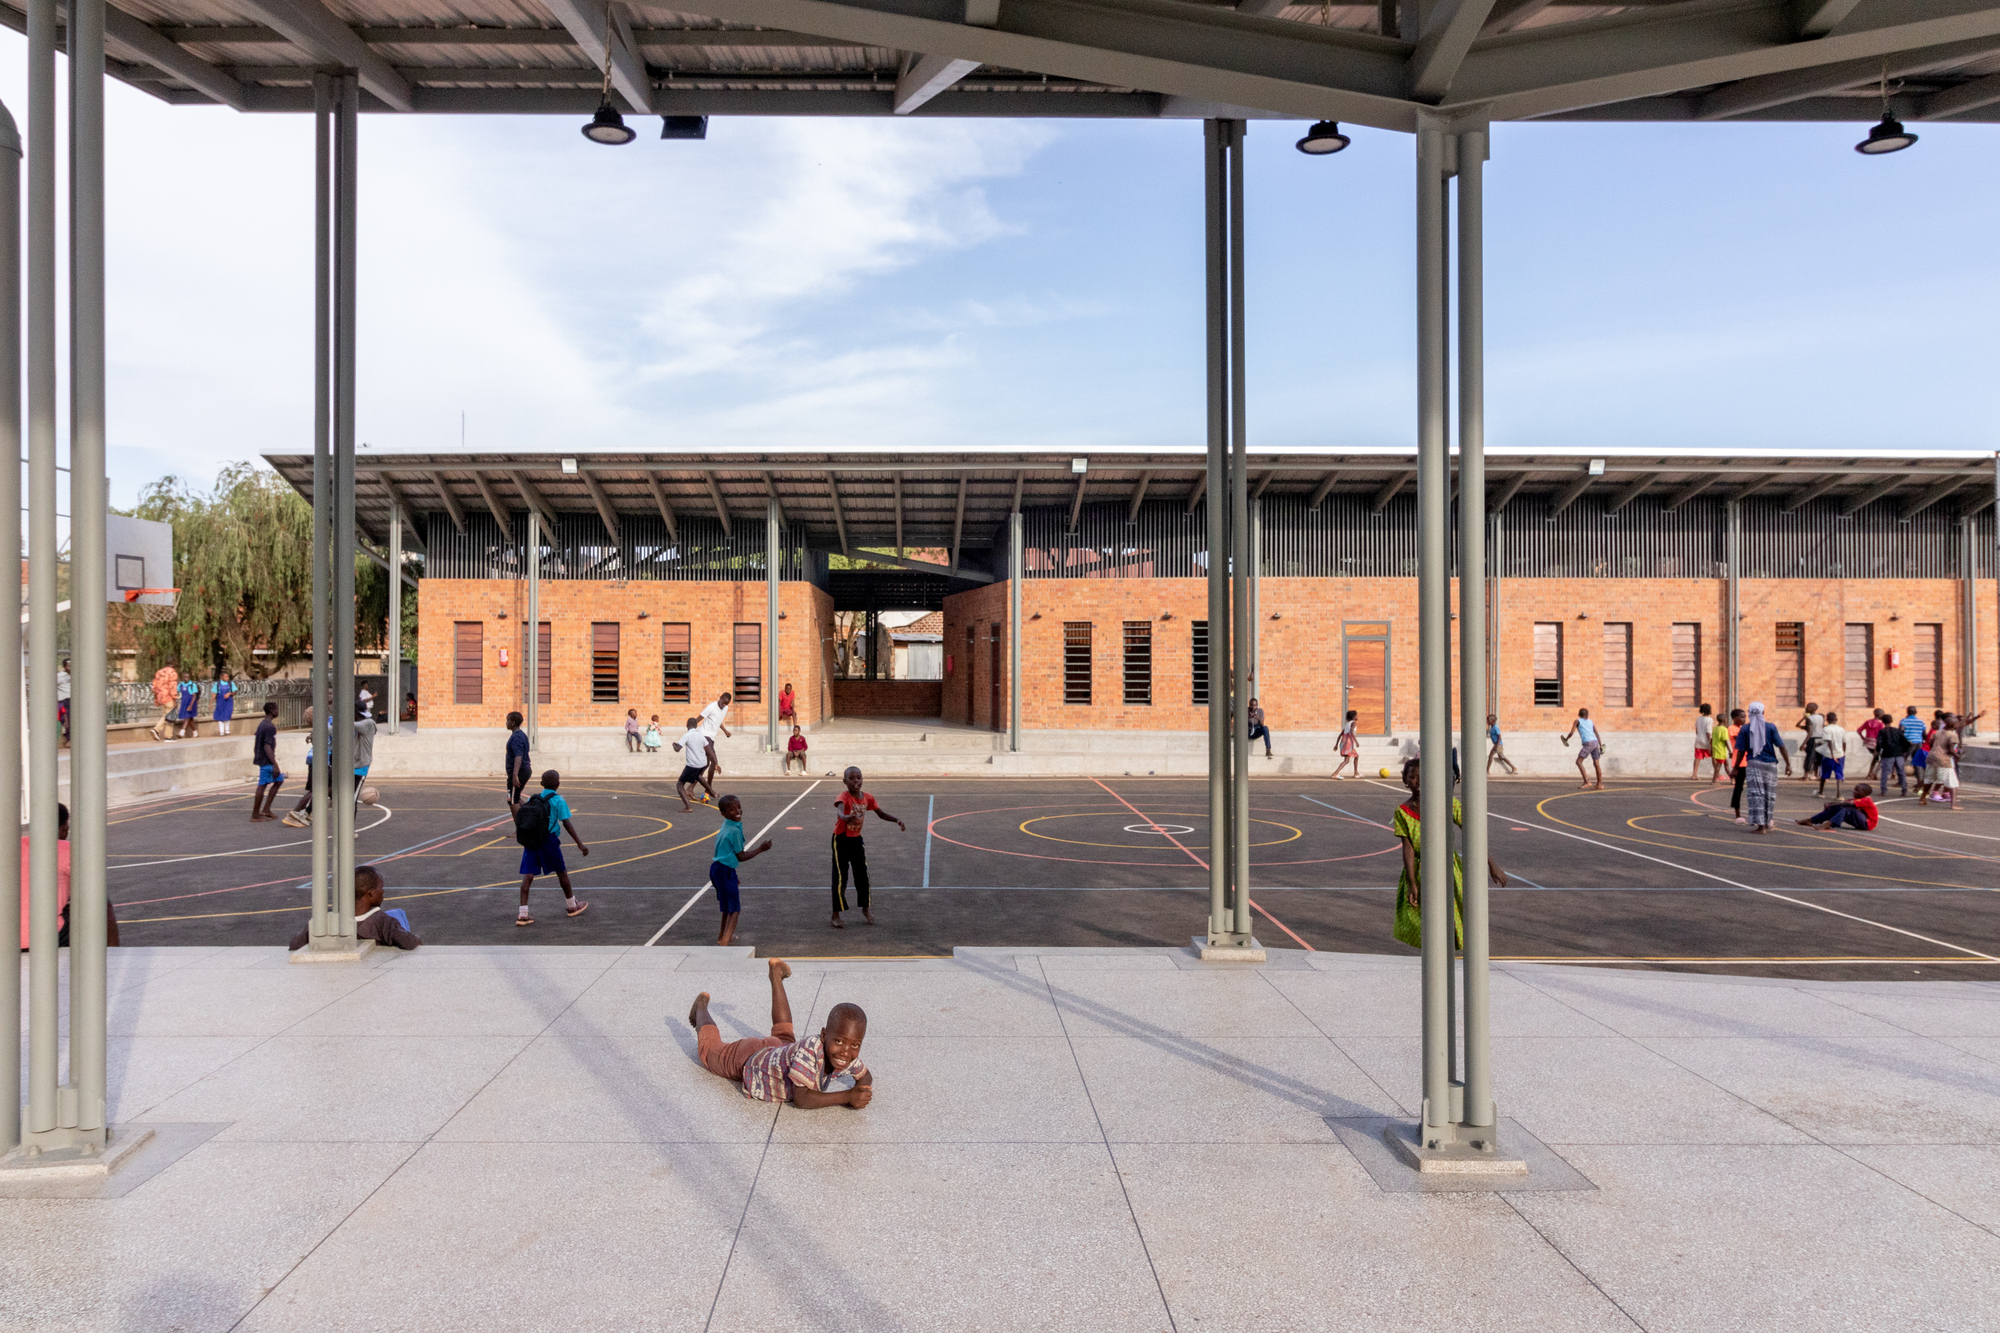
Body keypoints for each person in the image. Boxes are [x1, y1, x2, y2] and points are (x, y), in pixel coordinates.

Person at [686, 959, 873, 1109]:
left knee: (784, 1036)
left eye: (855, 1045)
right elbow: (803, 1099)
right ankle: (700, 1009)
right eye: (839, 1041)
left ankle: (776, 973)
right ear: (823, 1035)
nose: (845, 1051)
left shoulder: (845, 1055)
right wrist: (847, 1096)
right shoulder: (809, 1052)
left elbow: (865, 1076)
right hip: (748, 1058)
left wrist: (861, 1092)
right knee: (710, 1052)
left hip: (778, 1049)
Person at [1390, 757, 1506, 951]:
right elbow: (1408, 847)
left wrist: (1491, 864)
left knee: (1454, 915)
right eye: (1412, 777)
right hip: (1420, 871)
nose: (1417, 782)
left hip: (1447, 868)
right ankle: (1434, 959)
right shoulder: (1402, 811)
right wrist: (1411, 881)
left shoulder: (1446, 804)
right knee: (1425, 921)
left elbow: (1472, 833)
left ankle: (1448, 956)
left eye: (1422, 777)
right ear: (1405, 780)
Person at [20, 804, 120, 950]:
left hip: (6, 936)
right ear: (64, 828)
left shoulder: (11, 847)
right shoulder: (66, 850)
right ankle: (111, 954)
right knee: (100, 902)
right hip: (44, 937)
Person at [831, 765, 905, 930]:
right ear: (845, 782)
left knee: (862, 876)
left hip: (856, 840)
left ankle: (865, 908)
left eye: (858, 777)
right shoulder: (844, 797)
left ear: (862, 779)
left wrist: (896, 820)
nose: (855, 781)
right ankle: (835, 915)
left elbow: (881, 813)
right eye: (851, 778)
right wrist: (845, 817)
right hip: (841, 840)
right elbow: (840, 812)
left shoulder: (867, 798)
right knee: (840, 878)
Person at [514, 769, 589, 927]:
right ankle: (571, 905)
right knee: (561, 872)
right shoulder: (558, 800)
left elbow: (524, 808)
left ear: (541, 784)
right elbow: (567, 823)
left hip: (532, 840)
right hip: (548, 840)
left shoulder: (536, 798)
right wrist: (579, 843)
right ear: (558, 783)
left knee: (528, 876)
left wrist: (515, 798)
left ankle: (523, 913)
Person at [288, 864, 422, 951]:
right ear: (371, 894)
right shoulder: (383, 922)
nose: (383, 891)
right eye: (381, 888)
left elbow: (295, 945)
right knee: (397, 914)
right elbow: (410, 942)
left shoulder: (328, 919)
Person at [710, 793, 773, 946]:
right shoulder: (734, 831)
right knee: (735, 908)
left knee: (726, 907)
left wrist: (733, 873)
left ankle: (722, 936)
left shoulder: (727, 825)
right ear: (723, 813)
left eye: (738, 807)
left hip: (719, 869)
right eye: (732, 809)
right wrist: (761, 849)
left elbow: (726, 854)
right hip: (724, 870)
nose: (737, 811)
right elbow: (741, 856)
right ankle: (725, 940)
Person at [1732, 701, 1793, 833]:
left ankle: (1760, 827)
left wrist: (1736, 767)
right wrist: (1788, 764)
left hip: (1754, 764)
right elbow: (1781, 746)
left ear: (1749, 713)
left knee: (1756, 795)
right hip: (1770, 765)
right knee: (1769, 795)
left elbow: (1741, 751)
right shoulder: (1771, 727)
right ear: (1763, 712)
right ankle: (1766, 824)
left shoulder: (1745, 729)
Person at [251, 702, 286, 822]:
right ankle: (255, 815)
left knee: (279, 780)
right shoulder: (270, 727)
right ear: (271, 711)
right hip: (266, 760)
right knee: (262, 785)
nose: (278, 711)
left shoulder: (262, 724)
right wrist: (275, 764)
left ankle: (266, 809)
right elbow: (267, 746)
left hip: (263, 758)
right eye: (276, 709)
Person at [1797, 783, 1879, 832]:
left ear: (1864, 793)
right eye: (1854, 789)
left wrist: (1834, 804)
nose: (1854, 792)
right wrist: (1832, 805)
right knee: (1836, 808)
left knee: (1847, 809)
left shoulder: (1867, 800)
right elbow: (1845, 803)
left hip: (1868, 824)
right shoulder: (1857, 799)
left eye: (1857, 790)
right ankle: (1811, 820)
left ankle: (1829, 824)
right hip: (1861, 820)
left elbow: (1848, 804)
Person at [674, 716, 715, 811]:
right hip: (703, 763)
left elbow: (677, 749)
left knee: (680, 785)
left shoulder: (687, 736)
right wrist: (715, 763)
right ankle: (712, 791)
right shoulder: (701, 735)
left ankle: (688, 807)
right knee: (698, 776)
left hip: (693, 764)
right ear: (696, 725)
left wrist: (674, 745)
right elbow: (709, 751)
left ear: (687, 725)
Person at [1561, 708, 1604, 790]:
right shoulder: (1590, 722)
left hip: (1588, 743)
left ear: (1579, 714)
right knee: (1597, 764)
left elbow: (1572, 732)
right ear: (1587, 715)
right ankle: (1599, 784)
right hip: (1595, 742)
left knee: (1578, 762)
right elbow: (1597, 733)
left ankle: (1587, 781)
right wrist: (1601, 745)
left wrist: (1566, 739)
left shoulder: (1577, 721)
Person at [1927, 714, 1962, 809]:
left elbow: (1931, 743)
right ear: (1953, 725)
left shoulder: (1939, 732)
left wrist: (1935, 750)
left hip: (1933, 757)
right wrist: (1957, 755)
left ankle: (1923, 798)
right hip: (1944, 759)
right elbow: (1951, 750)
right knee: (1953, 782)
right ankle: (1953, 804)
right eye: (1956, 723)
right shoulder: (1952, 734)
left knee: (1930, 779)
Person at [1875, 712, 1912, 796]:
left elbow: (1879, 744)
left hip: (1888, 753)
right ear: (1891, 721)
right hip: (1898, 753)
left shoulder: (1882, 732)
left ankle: (1883, 790)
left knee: (1885, 773)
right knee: (1901, 772)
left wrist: (1878, 752)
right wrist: (1903, 750)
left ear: (1883, 722)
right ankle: (1904, 790)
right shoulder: (1897, 731)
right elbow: (1906, 742)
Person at [699, 691, 733, 783]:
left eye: (726, 704)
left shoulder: (725, 708)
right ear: (720, 697)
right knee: (714, 762)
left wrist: (725, 731)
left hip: (711, 738)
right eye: (723, 702)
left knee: (705, 764)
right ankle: (708, 790)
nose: (723, 705)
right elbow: (699, 718)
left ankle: (690, 788)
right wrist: (691, 730)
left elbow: (717, 721)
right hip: (704, 736)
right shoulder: (711, 707)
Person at [1816, 710, 1850, 800]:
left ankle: (1821, 792)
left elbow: (1829, 741)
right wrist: (1843, 752)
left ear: (1827, 720)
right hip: (1840, 754)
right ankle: (1839, 794)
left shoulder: (1826, 729)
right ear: (1836, 719)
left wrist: (1832, 753)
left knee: (1825, 773)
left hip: (1829, 754)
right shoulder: (1841, 729)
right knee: (1839, 773)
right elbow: (1844, 742)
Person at [1725, 708, 1750, 816]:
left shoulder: (1743, 728)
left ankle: (1754, 814)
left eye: (1745, 717)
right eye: (1742, 717)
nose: (1744, 719)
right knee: (1738, 788)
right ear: (1735, 718)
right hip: (1739, 763)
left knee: (1753, 789)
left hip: (1749, 761)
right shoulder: (1731, 728)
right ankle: (1737, 814)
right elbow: (1743, 738)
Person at [505, 711, 532, 806]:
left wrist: (515, 774)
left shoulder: (516, 737)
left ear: (513, 722)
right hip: (523, 770)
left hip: (519, 772)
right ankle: (529, 813)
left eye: (508, 721)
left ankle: (520, 820)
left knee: (511, 800)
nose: (506, 723)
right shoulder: (520, 735)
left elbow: (518, 756)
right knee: (515, 797)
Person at [352, 703, 377, 802]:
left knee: (351, 799)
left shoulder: (369, 723)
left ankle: (350, 818)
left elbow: (352, 724)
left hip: (360, 766)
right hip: (349, 766)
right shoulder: (356, 723)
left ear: (356, 712)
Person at [148, 663, 179, 742]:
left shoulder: (159, 673)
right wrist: (175, 698)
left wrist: (156, 698)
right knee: (170, 716)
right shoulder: (172, 673)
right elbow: (172, 687)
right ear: (172, 664)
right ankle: (164, 734)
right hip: (168, 697)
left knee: (165, 715)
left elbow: (154, 687)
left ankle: (160, 732)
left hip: (161, 697)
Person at [1795, 702, 1825, 782]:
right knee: (1818, 758)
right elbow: (1822, 727)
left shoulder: (1810, 718)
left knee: (1809, 757)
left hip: (1812, 739)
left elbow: (1810, 732)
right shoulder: (1820, 717)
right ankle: (1817, 775)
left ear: (1812, 709)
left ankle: (1806, 775)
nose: (1806, 708)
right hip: (1820, 739)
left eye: (1808, 707)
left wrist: (1803, 743)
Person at [1691, 703, 1717, 781]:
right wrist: (1710, 742)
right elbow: (1708, 732)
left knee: (1697, 758)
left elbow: (1696, 730)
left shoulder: (1699, 719)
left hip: (1698, 739)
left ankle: (1694, 774)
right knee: (1714, 756)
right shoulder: (1709, 720)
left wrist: (1699, 736)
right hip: (1706, 740)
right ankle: (1717, 773)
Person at [1333, 710, 1363, 779]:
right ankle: (1335, 773)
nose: (1357, 716)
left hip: (1344, 742)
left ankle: (1356, 773)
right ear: (1354, 716)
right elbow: (1352, 731)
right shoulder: (1354, 723)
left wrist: (1336, 745)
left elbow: (1339, 735)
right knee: (1346, 760)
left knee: (1356, 756)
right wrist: (1356, 742)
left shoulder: (1347, 724)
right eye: (1356, 715)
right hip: (1348, 742)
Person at [176, 669, 202, 738]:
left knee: (187, 717)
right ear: (183, 677)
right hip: (184, 702)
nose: (186, 678)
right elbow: (177, 692)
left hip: (191, 702)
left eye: (188, 677)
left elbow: (194, 696)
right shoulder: (181, 685)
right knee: (190, 719)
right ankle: (195, 732)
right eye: (185, 677)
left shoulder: (192, 685)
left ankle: (182, 731)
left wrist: (190, 705)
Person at [212, 669, 236, 737]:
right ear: (221, 677)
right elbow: (214, 694)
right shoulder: (217, 684)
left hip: (228, 701)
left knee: (228, 714)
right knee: (220, 716)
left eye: (228, 677)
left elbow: (234, 692)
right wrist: (210, 703)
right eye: (225, 677)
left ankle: (227, 730)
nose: (227, 678)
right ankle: (221, 731)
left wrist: (229, 693)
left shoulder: (231, 683)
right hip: (220, 702)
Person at [1709, 710, 1731, 785]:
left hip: (1716, 749)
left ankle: (1732, 778)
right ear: (1725, 720)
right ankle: (1714, 780)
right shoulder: (1724, 729)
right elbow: (1726, 741)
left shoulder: (1715, 728)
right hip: (1721, 750)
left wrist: (1711, 748)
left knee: (1726, 764)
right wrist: (1730, 750)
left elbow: (1712, 739)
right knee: (1719, 766)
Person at [56, 657, 70, 748]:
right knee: (66, 719)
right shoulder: (60, 676)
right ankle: (69, 738)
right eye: (69, 666)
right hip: (64, 701)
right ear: (64, 667)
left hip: (75, 700)